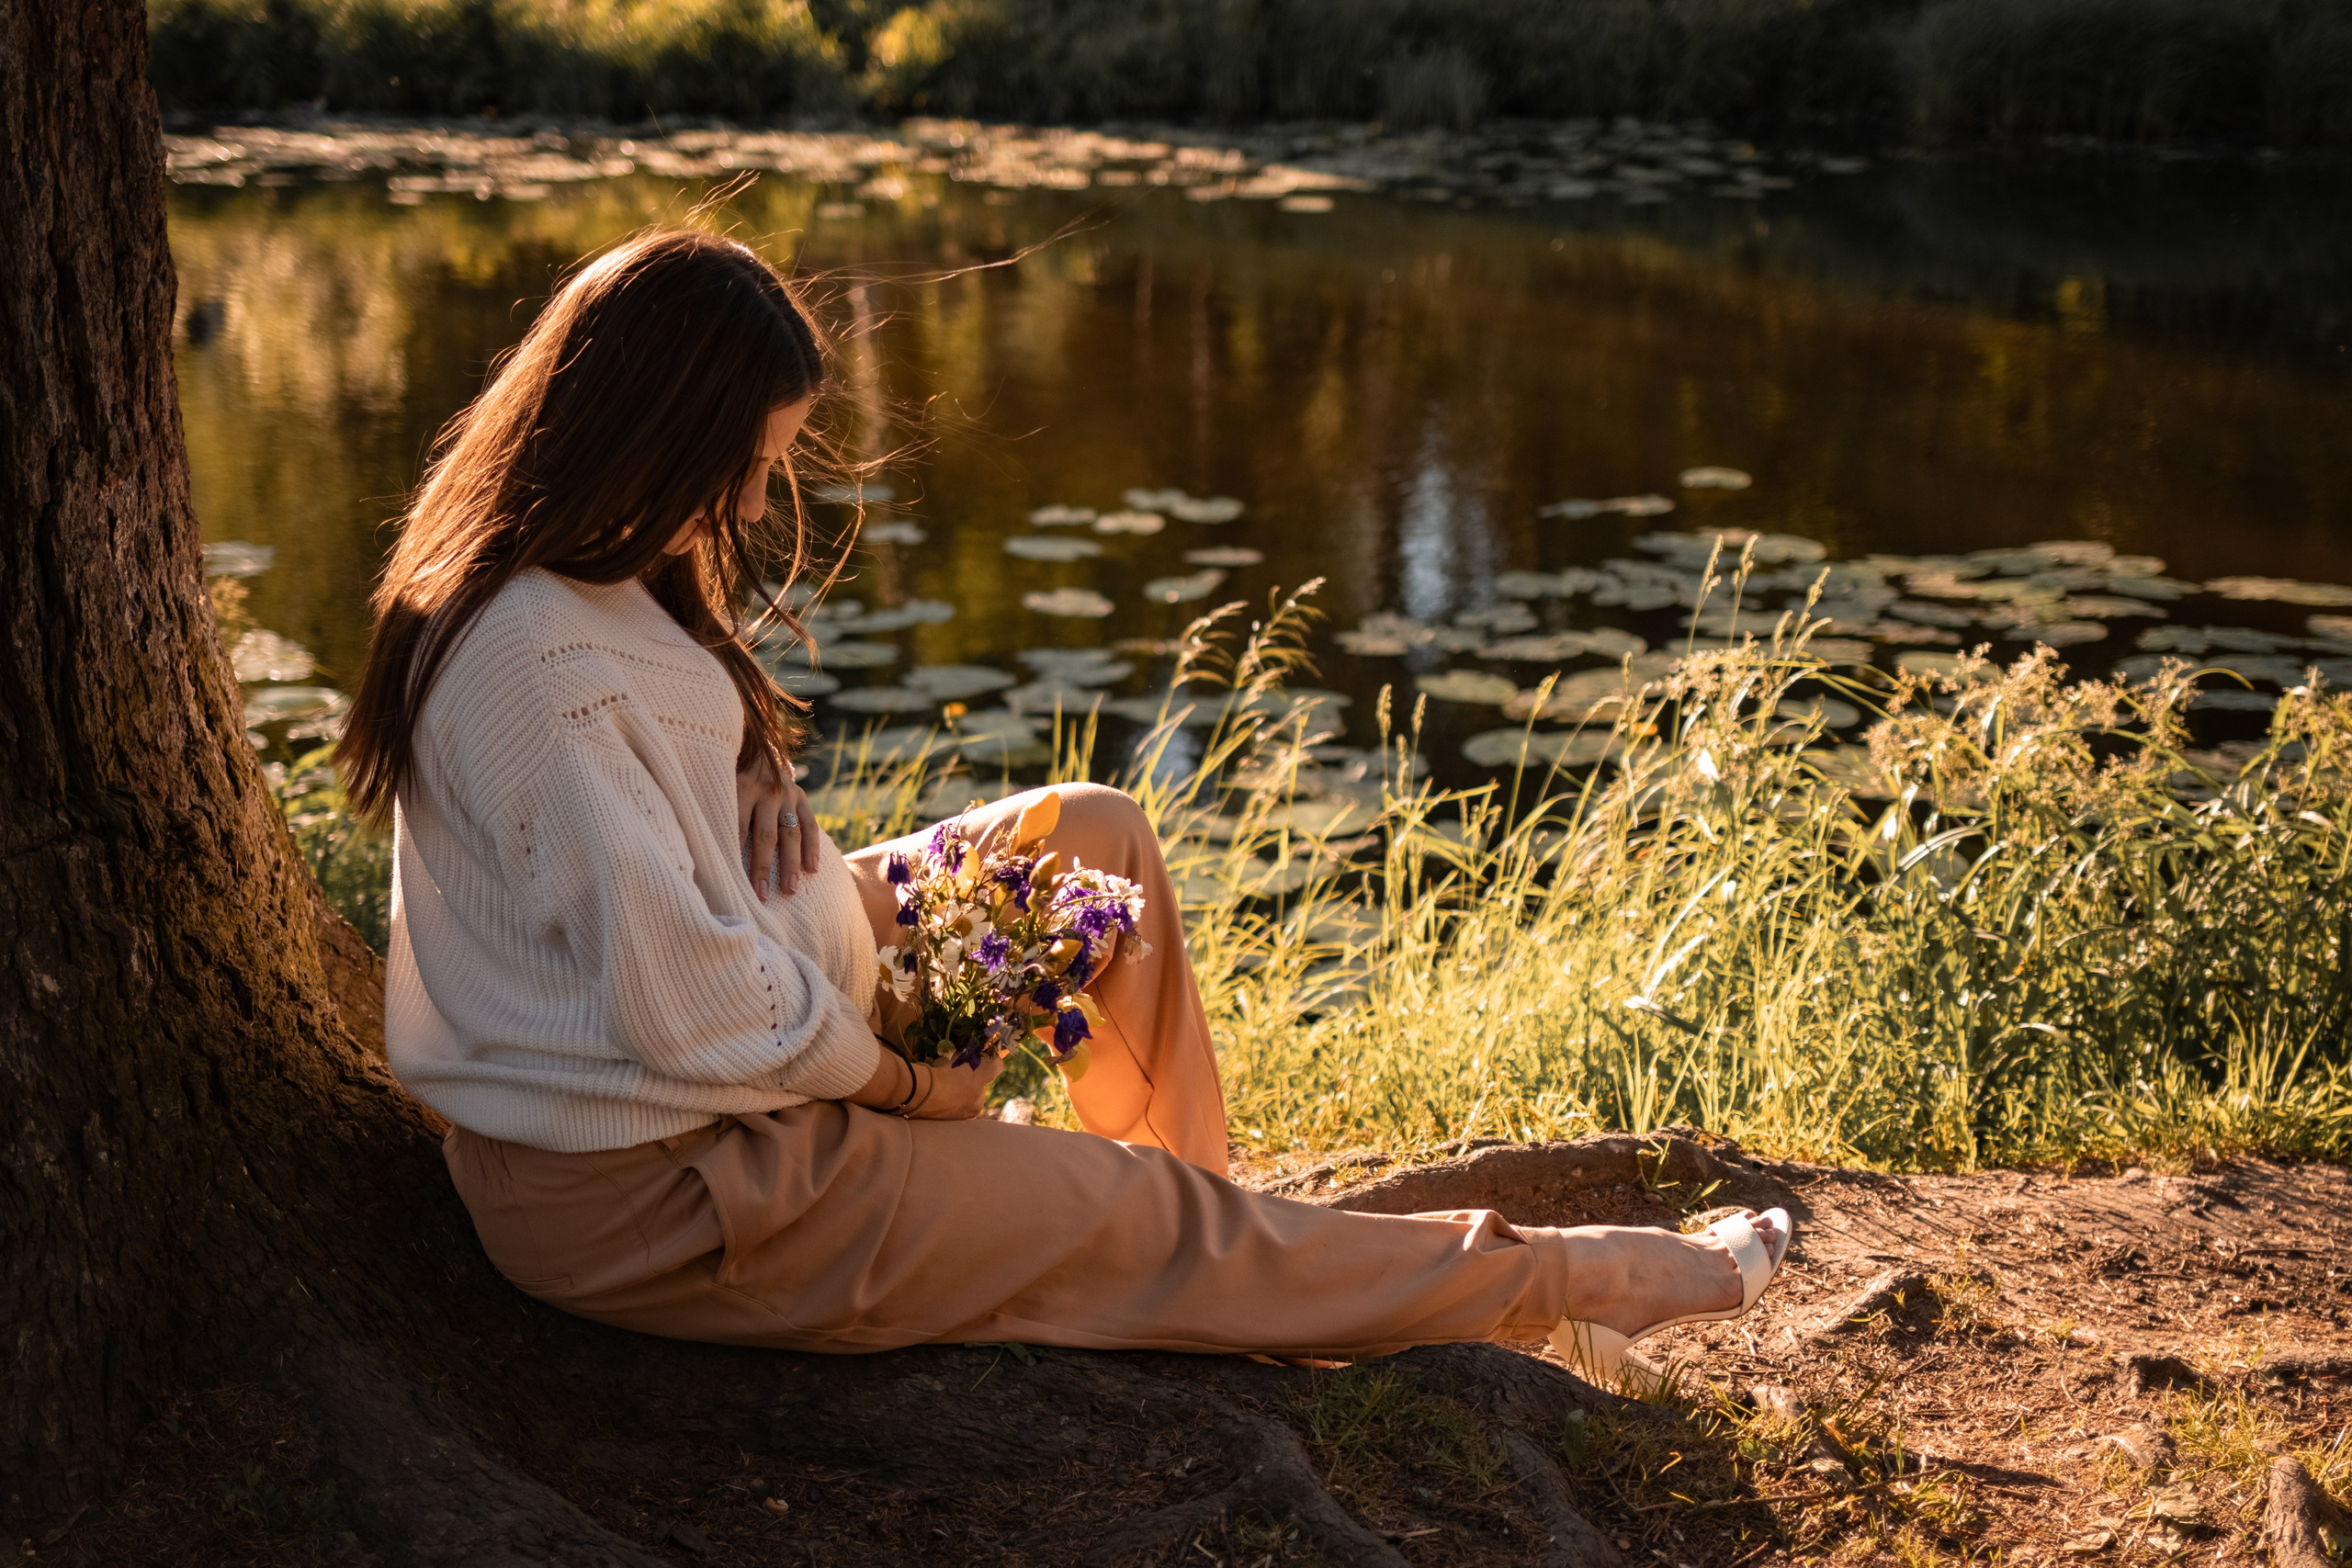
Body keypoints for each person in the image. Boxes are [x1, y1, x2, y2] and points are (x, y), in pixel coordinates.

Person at [338, 228, 1788, 1384]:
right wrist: (915, 1089)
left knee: (1095, 841)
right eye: (747, 464)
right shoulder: (527, 659)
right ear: (651, 436)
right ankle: (1586, 1283)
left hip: (770, 1015)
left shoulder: (601, 571)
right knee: (1137, 1217)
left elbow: (666, 756)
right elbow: (682, 1003)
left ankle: (1222, 1263)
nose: (756, 500)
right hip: (675, 1185)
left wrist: (751, 769)